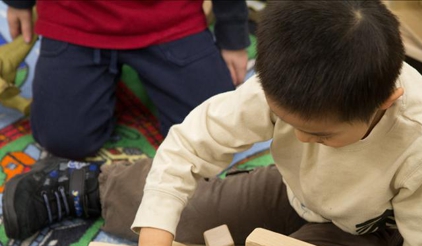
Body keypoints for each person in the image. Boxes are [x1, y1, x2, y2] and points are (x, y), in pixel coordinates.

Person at [3, 0, 422, 246]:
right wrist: (152, 244)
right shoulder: (284, 86)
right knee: (192, 216)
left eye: (322, 135)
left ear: (385, 103)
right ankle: (89, 186)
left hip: (381, 230)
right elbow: (187, 144)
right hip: (296, 193)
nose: (303, 140)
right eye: (289, 126)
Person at [3, 0, 250, 159]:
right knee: (62, 140)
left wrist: (233, 34)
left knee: (215, 137)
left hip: (170, 16)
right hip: (74, 16)